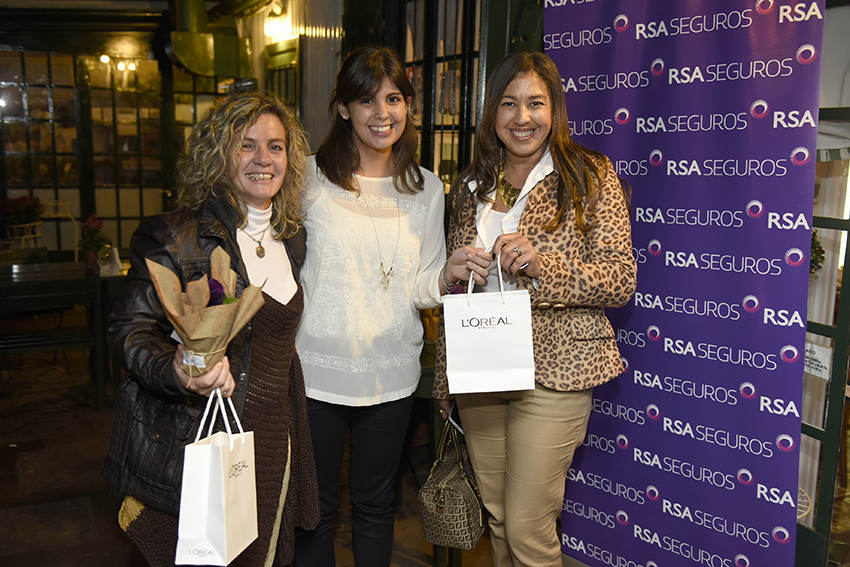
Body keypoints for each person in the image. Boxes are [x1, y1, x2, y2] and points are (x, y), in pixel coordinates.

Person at [433, 51, 637, 567]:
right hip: (481, 366)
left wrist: (544, 267)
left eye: (535, 103)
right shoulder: (470, 186)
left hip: (554, 372)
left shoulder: (589, 175)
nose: (522, 118)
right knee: (499, 515)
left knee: (528, 527)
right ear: (492, 114)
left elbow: (620, 279)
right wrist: (453, 274)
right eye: (508, 104)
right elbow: (456, 288)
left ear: (555, 110)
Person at [102, 92, 319, 567]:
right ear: (217, 154)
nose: (264, 159)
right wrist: (180, 370)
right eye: (247, 145)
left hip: (276, 439)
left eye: (277, 146)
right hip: (207, 438)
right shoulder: (175, 236)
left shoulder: (293, 236)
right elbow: (128, 332)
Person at [293, 46, 447, 567]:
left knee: (377, 506)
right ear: (342, 108)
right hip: (316, 373)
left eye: (394, 98)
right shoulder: (306, 178)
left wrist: (448, 276)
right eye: (366, 100)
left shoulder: (427, 188)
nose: (383, 113)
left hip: (391, 374)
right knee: (312, 512)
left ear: (408, 105)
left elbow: (424, 285)